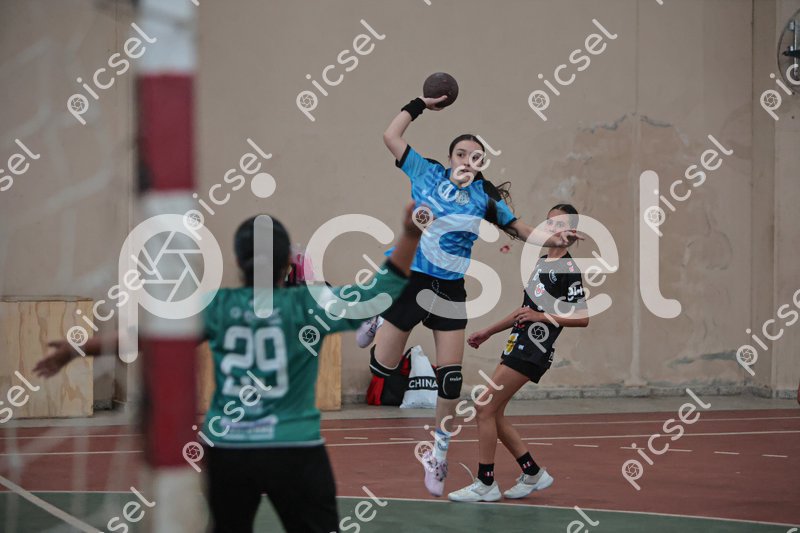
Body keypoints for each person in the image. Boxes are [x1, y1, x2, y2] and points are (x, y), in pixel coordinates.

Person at [35, 203, 422, 533]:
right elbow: (380, 291)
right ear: (288, 263)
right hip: (295, 449)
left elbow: (152, 337)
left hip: (229, 450)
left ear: (238, 261)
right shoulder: (311, 303)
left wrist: (80, 347)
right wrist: (409, 234)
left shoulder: (216, 305)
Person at [372, 93, 581, 496]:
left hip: (450, 290)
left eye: (476, 157)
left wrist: (556, 238)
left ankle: (439, 453)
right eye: (461, 154)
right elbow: (390, 136)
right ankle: (377, 315)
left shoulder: (485, 198)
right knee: (383, 367)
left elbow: (522, 230)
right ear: (450, 158)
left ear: (482, 164)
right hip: (414, 280)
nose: (468, 160)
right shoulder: (426, 173)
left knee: (451, 378)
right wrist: (420, 104)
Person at [447, 204, 589, 502]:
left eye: (559, 223)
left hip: (535, 348)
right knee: (493, 412)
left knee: (483, 406)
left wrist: (541, 317)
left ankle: (486, 482)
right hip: (517, 343)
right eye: (548, 222)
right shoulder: (542, 262)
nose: (551, 228)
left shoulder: (568, 269)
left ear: (571, 230)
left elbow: (582, 317)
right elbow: (525, 310)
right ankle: (533, 472)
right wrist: (489, 331)